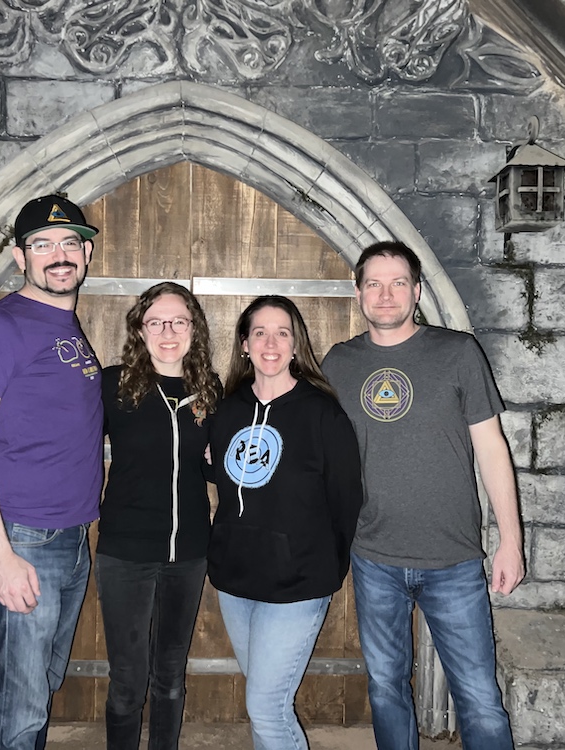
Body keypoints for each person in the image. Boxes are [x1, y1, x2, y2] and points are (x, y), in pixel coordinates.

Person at [321, 241, 525, 750]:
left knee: (479, 697)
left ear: (416, 290)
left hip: (453, 560)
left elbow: (492, 449)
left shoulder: (457, 353)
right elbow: (314, 451)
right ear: (358, 292)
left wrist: (511, 542)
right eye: (374, 283)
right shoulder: (339, 363)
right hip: (374, 559)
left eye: (397, 283)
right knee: (387, 690)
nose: (385, 295)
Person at [0, 195, 103, 750]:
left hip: (69, 538)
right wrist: (2, 557)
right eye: (42, 244)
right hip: (23, 539)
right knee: (21, 708)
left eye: (68, 243)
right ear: (20, 257)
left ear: (86, 253)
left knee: (34, 690)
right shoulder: (2, 325)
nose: (57, 255)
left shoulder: (64, 324)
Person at [208, 295, 363, 750]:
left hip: (297, 581)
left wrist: (324, 568)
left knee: (266, 707)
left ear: (297, 345)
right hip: (236, 579)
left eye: (282, 333)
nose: (270, 343)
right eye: (259, 332)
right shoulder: (227, 410)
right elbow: (217, 474)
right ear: (244, 344)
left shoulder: (323, 413)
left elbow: (346, 498)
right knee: (263, 701)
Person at [97, 282, 221, 749]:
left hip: (188, 553)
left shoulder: (208, 388)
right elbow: (67, 432)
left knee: (170, 676)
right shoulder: (113, 384)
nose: (168, 331)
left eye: (179, 322)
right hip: (125, 553)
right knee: (128, 681)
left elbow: (216, 467)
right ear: (140, 329)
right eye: (156, 322)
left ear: (194, 329)